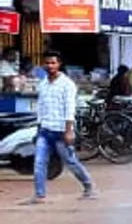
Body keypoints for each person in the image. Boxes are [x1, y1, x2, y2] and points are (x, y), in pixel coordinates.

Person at [25, 50, 96, 204]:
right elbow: (41, 108)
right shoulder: (43, 84)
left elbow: (70, 108)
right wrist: (39, 128)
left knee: (70, 161)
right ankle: (39, 195)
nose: (50, 66)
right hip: (45, 130)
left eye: (53, 63)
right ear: (43, 64)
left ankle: (88, 186)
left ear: (59, 64)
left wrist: (69, 130)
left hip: (61, 130)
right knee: (39, 162)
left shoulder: (67, 84)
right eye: (47, 63)